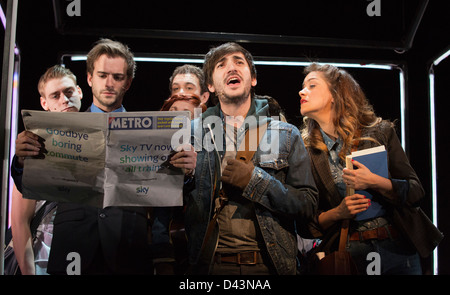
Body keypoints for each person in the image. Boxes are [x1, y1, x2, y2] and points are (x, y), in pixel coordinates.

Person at [184, 42, 318, 275]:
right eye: (221, 64)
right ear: (210, 85)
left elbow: (308, 205)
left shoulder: (285, 133)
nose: (231, 68)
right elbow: (167, 206)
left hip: (270, 265)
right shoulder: (191, 134)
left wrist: (254, 181)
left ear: (253, 78)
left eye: (239, 62)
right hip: (210, 265)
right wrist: (183, 177)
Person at [298, 63, 442, 274]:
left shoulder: (380, 132)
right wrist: (338, 212)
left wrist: (375, 181)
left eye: (312, 85)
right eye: (303, 86)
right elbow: (305, 223)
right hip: (351, 253)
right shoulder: (306, 152)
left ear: (335, 95)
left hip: (398, 249)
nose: (302, 91)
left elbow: (415, 192)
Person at [10, 65, 82, 275]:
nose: (64, 100)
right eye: (55, 95)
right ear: (45, 103)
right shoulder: (35, 144)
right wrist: (28, 271)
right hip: (45, 257)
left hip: (86, 253)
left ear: (79, 91)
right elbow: (19, 220)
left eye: (68, 92)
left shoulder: (103, 139)